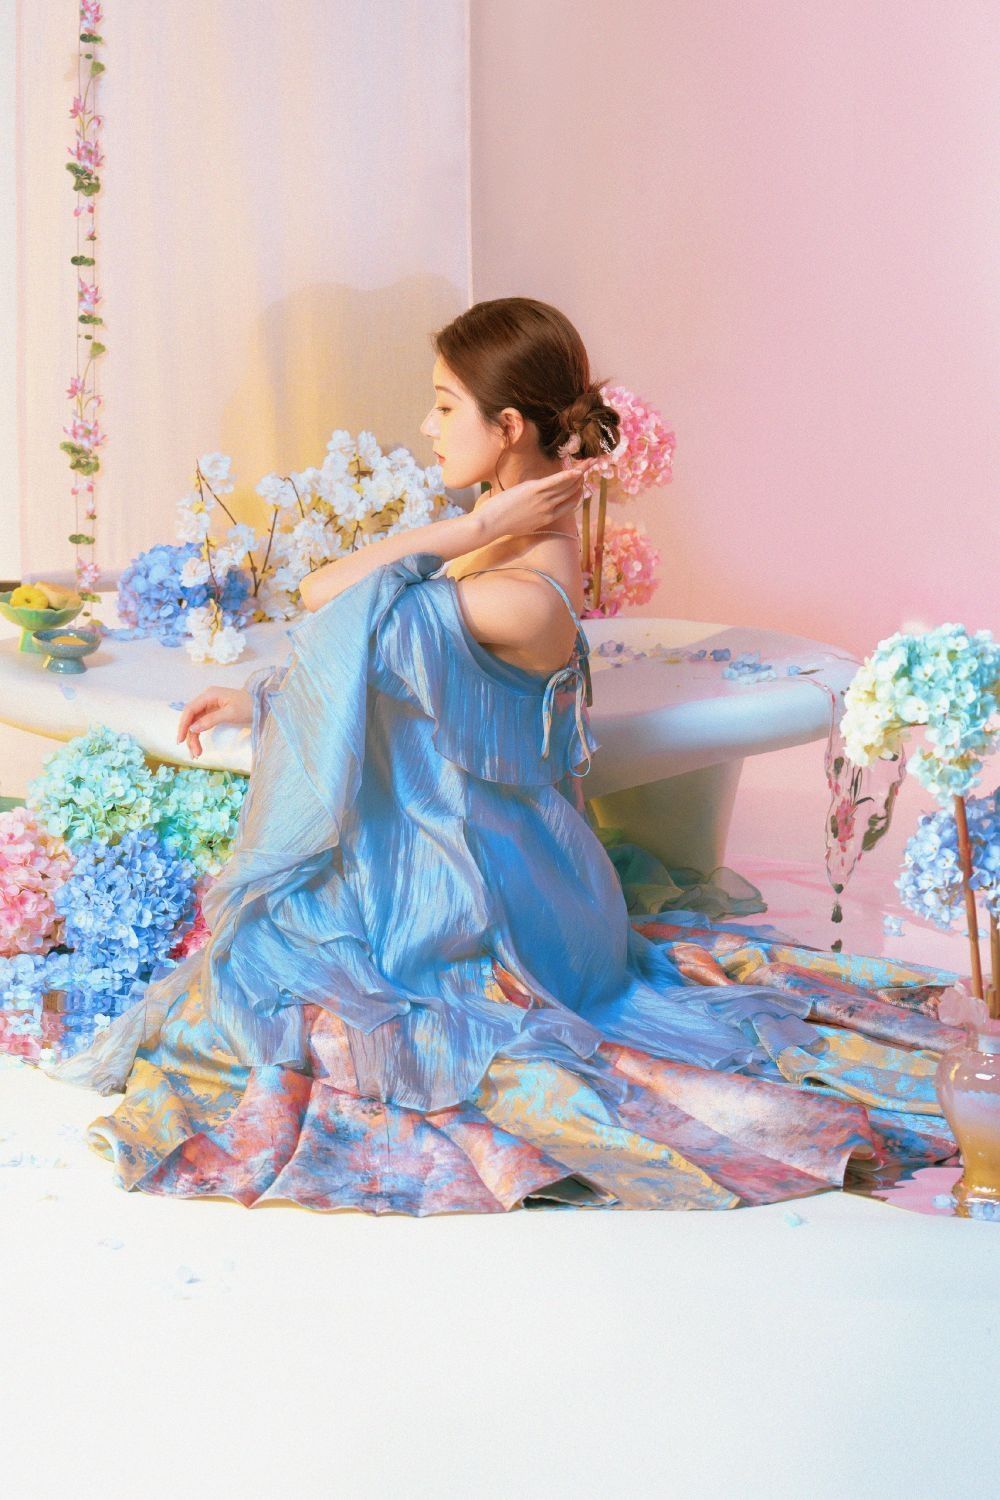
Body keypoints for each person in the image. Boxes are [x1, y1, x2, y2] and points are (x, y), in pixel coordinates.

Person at [39, 297, 962, 1214]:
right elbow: (374, 662)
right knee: (265, 972)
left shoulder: (524, 592)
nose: (428, 426)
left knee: (317, 1009)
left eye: (445, 405)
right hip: (454, 853)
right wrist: (266, 697)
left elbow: (332, 598)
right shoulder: (500, 542)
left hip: (495, 899)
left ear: (509, 425)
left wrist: (475, 530)